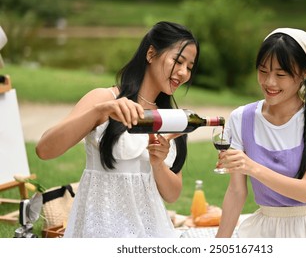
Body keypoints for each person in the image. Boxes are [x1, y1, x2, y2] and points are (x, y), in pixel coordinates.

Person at [35, 21, 200, 238]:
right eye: (178, 61)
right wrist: (98, 112)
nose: (183, 73)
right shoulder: (106, 99)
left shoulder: (171, 118)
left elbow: (172, 194)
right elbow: (45, 150)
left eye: (189, 67)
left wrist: (158, 164)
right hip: (100, 228)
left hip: (151, 231)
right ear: (151, 54)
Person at [215, 28, 306, 238]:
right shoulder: (241, 118)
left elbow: (305, 191)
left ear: (304, 73)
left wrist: (251, 167)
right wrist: (218, 246)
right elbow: (236, 192)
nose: (269, 83)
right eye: (263, 71)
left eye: (281, 74)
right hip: (264, 229)